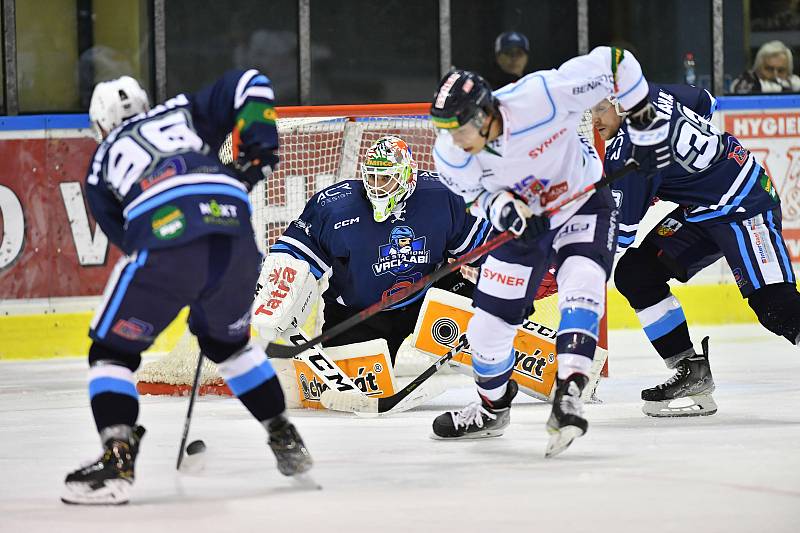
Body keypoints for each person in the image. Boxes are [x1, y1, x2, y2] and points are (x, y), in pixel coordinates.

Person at [62, 71, 312, 505]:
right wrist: (259, 152)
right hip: (236, 236)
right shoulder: (181, 112)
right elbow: (251, 81)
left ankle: (117, 456)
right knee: (231, 347)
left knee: (111, 352)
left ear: (99, 125)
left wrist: (181, 272)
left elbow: (129, 240)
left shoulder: (100, 164)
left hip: (166, 240)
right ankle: (283, 435)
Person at [427, 45, 663, 457]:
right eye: (446, 129)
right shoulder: (451, 154)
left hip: (582, 202)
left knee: (583, 285)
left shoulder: (542, 95)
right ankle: (492, 407)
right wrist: (506, 210)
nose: (454, 139)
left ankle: (569, 390)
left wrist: (643, 123)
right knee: (486, 329)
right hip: (526, 227)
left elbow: (615, 61)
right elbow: (474, 198)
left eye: (460, 127)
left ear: (485, 114)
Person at [592, 81, 800, 417]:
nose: (594, 120)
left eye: (600, 108)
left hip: (743, 203)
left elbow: (620, 235)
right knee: (636, 274)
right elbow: (705, 101)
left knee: (776, 307)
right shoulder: (652, 91)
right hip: (703, 208)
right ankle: (692, 371)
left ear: (619, 103)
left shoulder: (630, 149)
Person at [252, 134, 491, 365]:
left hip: (430, 297)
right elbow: (295, 256)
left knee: (493, 332)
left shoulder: (441, 196)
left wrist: (514, 284)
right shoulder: (337, 207)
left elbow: (486, 247)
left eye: (385, 178)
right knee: (358, 389)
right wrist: (274, 305)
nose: (376, 187)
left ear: (407, 176)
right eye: (372, 177)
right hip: (361, 315)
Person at [730, 40, 800, 94]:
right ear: (758, 69)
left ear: (788, 72)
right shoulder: (747, 80)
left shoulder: (794, 84)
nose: (775, 75)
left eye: (781, 70)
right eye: (769, 69)